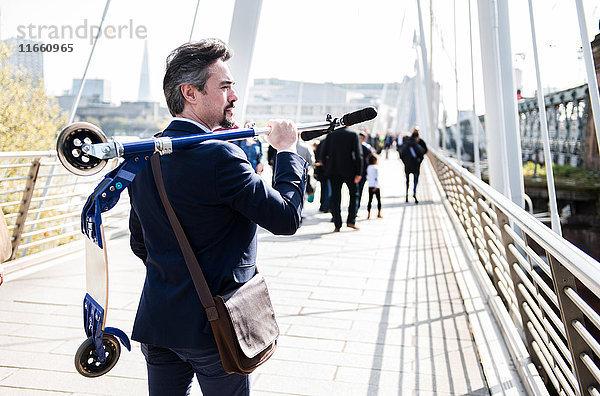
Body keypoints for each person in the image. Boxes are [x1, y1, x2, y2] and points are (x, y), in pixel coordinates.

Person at [127, 39, 308, 396]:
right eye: (224, 87)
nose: (234, 97)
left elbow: (139, 241)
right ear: (190, 93)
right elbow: (286, 218)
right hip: (215, 329)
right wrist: (287, 151)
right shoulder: (222, 158)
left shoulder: (143, 156)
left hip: (159, 321)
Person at [319, 127, 363, 232]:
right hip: (350, 171)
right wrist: (359, 172)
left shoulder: (331, 135)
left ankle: (337, 224)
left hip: (333, 171)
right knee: (354, 195)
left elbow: (323, 154)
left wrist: (327, 168)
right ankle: (351, 221)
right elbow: (358, 154)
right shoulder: (353, 134)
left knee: (335, 197)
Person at [399, 127, 427, 204]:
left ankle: (407, 195)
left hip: (407, 165)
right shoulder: (418, 144)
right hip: (416, 166)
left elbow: (401, 153)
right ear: (416, 137)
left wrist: (405, 162)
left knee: (407, 181)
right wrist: (419, 161)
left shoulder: (406, 143)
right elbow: (423, 152)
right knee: (415, 181)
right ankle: (414, 193)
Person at [356, 131, 373, 215]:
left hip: (363, 173)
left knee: (359, 191)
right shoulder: (355, 147)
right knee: (356, 192)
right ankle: (355, 209)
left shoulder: (367, 148)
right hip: (356, 173)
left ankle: (356, 209)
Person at [313, 139, 330, 212]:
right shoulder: (329, 142)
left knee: (323, 188)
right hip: (328, 170)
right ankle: (326, 206)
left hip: (321, 170)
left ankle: (323, 205)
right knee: (327, 189)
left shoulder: (321, 143)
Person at [366, 155, 382, 219]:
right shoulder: (376, 167)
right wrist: (376, 186)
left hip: (370, 185)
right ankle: (379, 213)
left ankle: (368, 214)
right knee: (378, 200)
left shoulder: (368, 167)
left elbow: (367, 177)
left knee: (370, 200)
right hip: (376, 186)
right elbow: (376, 177)